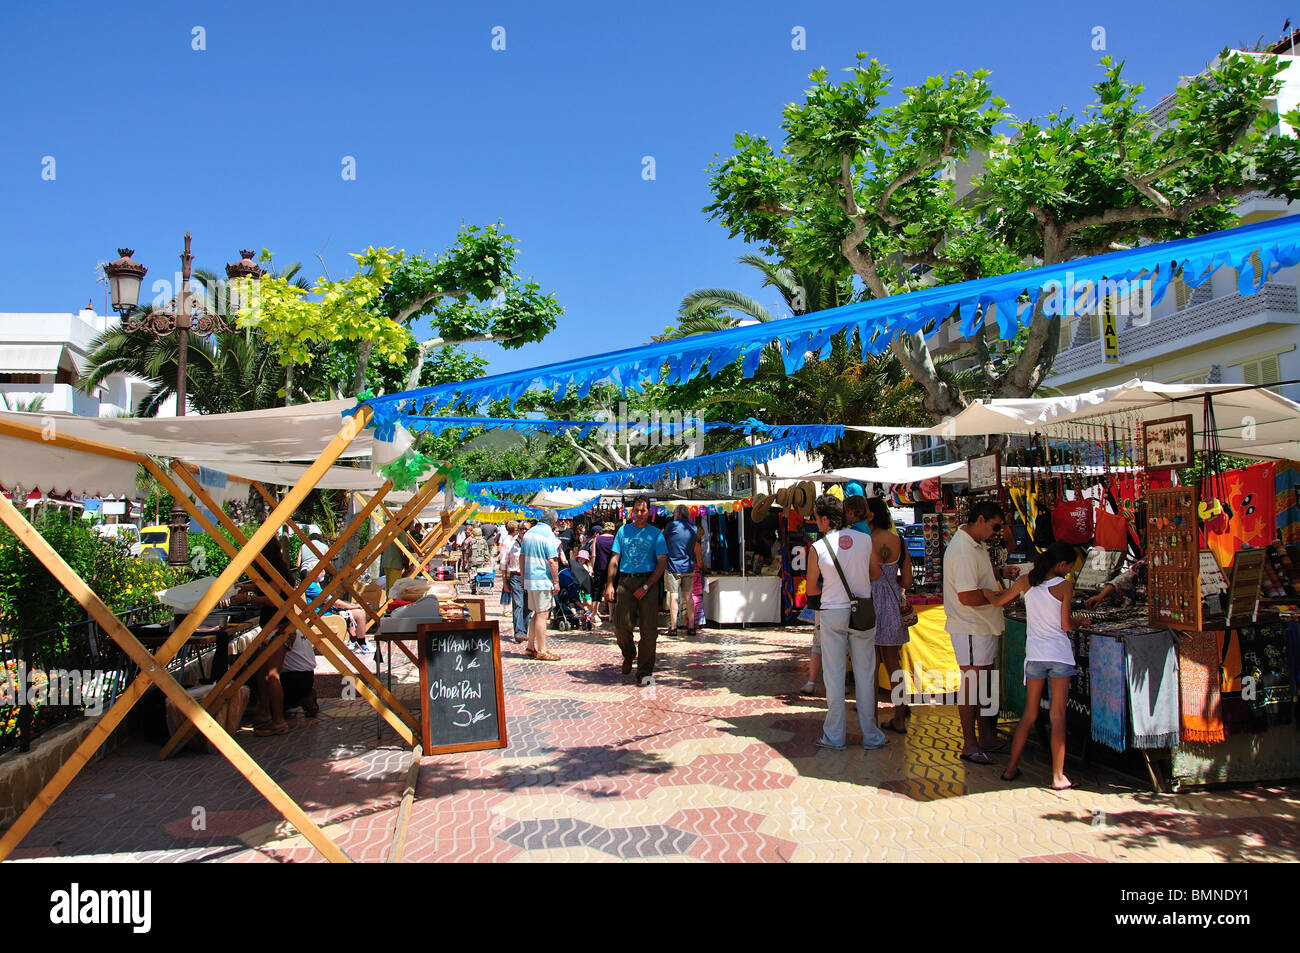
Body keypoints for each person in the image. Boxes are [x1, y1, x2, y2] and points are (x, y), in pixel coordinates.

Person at [984, 542, 1085, 790]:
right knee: (1057, 715)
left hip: (1035, 656)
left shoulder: (1026, 582)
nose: (1070, 570)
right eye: (1070, 566)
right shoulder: (1064, 587)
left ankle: (1010, 768)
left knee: (1028, 714)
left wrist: (984, 592)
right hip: (1059, 655)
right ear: (1061, 565)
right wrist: (1080, 621)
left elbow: (999, 602)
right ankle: (1058, 776)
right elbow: (1065, 625)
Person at [805, 493, 887, 750]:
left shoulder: (818, 548)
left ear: (826, 519)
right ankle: (871, 736)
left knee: (834, 674)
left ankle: (834, 735)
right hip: (862, 611)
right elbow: (875, 573)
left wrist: (831, 588)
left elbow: (810, 589)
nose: (816, 523)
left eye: (817, 518)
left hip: (832, 613)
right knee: (865, 673)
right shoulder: (865, 540)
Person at [943, 499, 1020, 765]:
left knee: (982, 683)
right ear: (981, 521)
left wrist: (997, 572)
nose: (997, 533)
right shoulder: (963, 550)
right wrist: (1000, 595)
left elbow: (975, 581)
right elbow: (967, 596)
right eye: (996, 526)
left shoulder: (975, 545)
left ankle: (985, 737)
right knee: (972, 685)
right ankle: (970, 743)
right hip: (970, 626)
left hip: (980, 626)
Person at [604, 496, 668, 686]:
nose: (639, 514)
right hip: (625, 582)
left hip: (649, 581)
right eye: (636, 511)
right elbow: (615, 558)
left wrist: (647, 586)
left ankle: (644, 671)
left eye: (643, 510)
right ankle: (628, 653)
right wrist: (609, 584)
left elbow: (662, 562)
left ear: (649, 512)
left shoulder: (656, 534)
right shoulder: (623, 531)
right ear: (632, 512)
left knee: (649, 632)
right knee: (620, 625)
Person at [865, 497, 914, 734]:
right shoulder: (900, 542)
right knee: (894, 665)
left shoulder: (865, 542)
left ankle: (871, 719)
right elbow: (907, 581)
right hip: (893, 605)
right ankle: (899, 717)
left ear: (870, 515)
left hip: (870, 605)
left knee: (871, 666)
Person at [521, 510, 562, 661]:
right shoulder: (549, 535)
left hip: (531, 579)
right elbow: (552, 560)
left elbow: (522, 557)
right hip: (543, 579)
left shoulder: (529, 533)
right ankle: (542, 650)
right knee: (543, 614)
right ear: (553, 522)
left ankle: (530, 647)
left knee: (536, 613)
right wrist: (556, 581)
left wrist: (523, 577)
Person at [663, 504, 703, 637]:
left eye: (674, 512)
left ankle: (673, 627)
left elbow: (663, 539)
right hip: (689, 566)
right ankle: (691, 626)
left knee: (674, 596)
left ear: (678, 514)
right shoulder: (693, 528)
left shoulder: (672, 525)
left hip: (673, 566)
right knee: (688, 596)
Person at [500, 520, 530, 644]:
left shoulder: (531, 544)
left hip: (529, 578)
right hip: (515, 577)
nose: (523, 531)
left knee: (528, 606)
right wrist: (504, 582)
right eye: (521, 528)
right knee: (518, 604)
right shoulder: (511, 544)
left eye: (526, 529)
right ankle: (519, 633)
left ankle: (524, 631)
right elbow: (503, 563)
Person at [591, 522, 616, 625]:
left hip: (599, 567)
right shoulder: (615, 539)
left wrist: (593, 567)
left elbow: (593, 555)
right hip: (612, 568)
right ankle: (611, 615)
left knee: (597, 591)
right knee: (610, 589)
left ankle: (594, 614)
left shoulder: (597, 539)